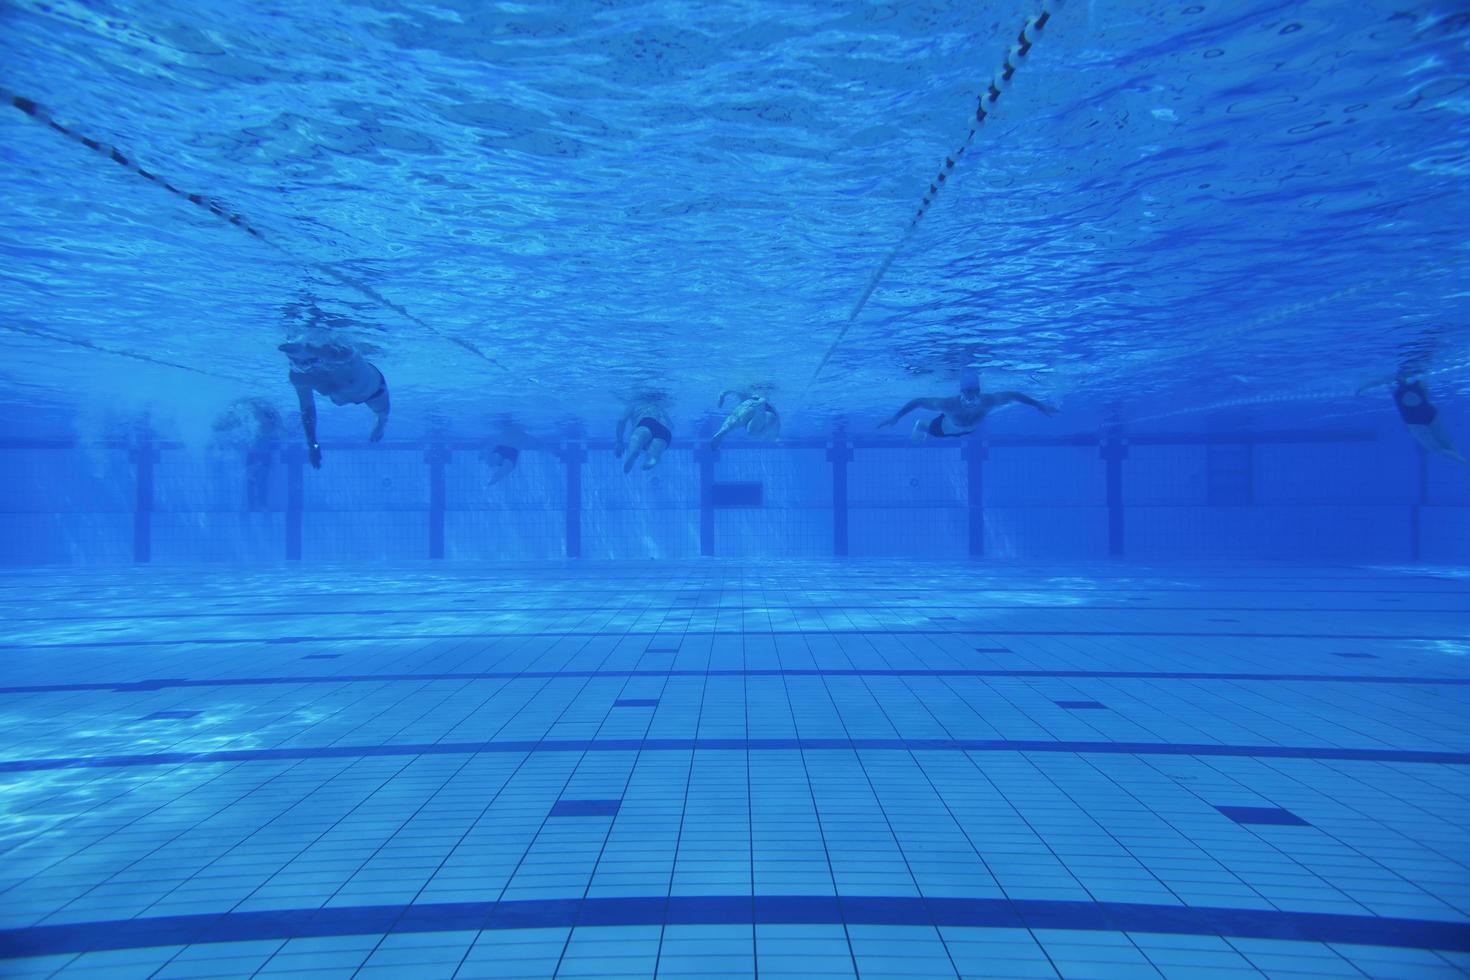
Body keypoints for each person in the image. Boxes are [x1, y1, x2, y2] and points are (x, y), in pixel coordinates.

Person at [280, 340, 389, 469]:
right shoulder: (299, 376)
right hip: (342, 391)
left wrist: (314, 350)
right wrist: (312, 443)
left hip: (373, 391)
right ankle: (307, 350)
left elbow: (346, 353)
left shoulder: (344, 359)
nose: (307, 367)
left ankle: (380, 425)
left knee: (382, 413)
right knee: (325, 383)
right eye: (300, 362)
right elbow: (307, 409)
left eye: (312, 361)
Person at [878, 367, 1058, 440]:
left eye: (975, 392)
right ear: (961, 392)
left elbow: (1013, 395)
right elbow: (918, 402)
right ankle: (920, 425)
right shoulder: (948, 404)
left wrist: (1038, 404)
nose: (971, 397)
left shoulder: (988, 400)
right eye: (967, 393)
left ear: (979, 391)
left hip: (970, 429)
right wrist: (896, 418)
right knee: (928, 428)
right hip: (945, 429)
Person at [1359, 374, 1470, 470]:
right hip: (1429, 414)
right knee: (1447, 445)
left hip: (1414, 421)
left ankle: (1465, 463)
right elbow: (1426, 396)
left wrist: (1360, 389)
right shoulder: (1419, 380)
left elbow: (1374, 383)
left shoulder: (1393, 380)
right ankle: (1465, 464)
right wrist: (1361, 389)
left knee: (1437, 448)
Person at [212, 397, 282, 510]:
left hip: (261, 455)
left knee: (260, 480)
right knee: (254, 480)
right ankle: (255, 504)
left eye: (258, 414)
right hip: (255, 455)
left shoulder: (269, 425)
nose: (256, 415)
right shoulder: (258, 424)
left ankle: (259, 503)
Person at [616, 399, 672, 473]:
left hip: (647, 422)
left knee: (637, 439)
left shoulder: (635, 402)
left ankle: (634, 451)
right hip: (666, 430)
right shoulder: (660, 405)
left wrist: (619, 441)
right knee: (655, 452)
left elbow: (621, 421)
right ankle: (653, 459)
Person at [711, 390, 780, 448]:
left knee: (731, 424)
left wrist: (722, 395)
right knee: (753, 433)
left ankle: (723, 430)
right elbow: (774, 434)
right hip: (767, 410)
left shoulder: (745, 390)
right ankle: (760, 409)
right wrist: (776, 439)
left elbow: (732, 391)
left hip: (747, 404)